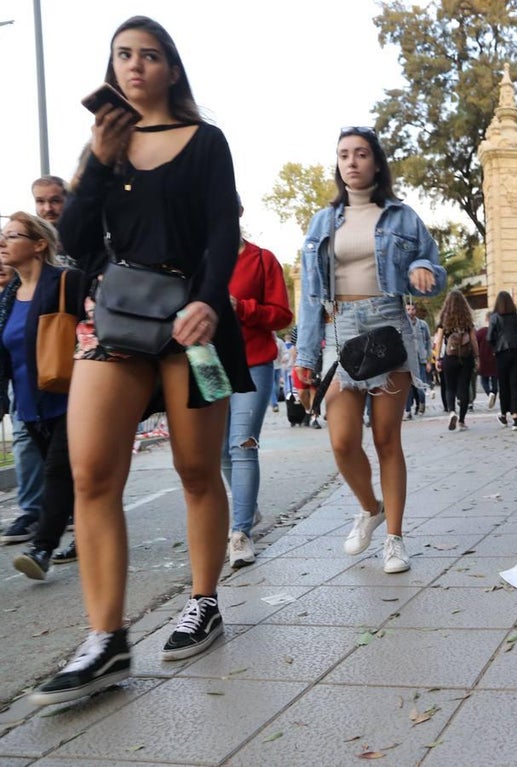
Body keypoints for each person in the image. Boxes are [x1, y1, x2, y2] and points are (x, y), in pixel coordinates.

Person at [33, 16, 254, 706]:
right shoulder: (107, 147)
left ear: (172, 68)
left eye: (149, 55)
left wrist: (212, 302)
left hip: (194, 323)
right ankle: (105, 638)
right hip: (120, 319)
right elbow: (67, 243)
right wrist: (97, 163)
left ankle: (203, 599)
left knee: (196, 469)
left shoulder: (206, 142)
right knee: (92, 470)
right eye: (123, 55)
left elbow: (224, 231)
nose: (135, 66)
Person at [294, 126, 445, 574]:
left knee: (385, 438)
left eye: (361, 154)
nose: (352, 162)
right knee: (341, 441)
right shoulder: (322, 222)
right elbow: (308, 297)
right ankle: (370, 507)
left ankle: (395, 539)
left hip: (388, 327)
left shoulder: (401, 216)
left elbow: (434, 265)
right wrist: (305, 359)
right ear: (337, 164)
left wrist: (421, 270)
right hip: (340, 330)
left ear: (376, 162)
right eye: (344, 154)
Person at [1, 213, 85, 581]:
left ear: (39, 244)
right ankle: (89, 532)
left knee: (57, 472)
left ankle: (42, 549)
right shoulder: (8, 295)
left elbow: (95, 331)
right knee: (72, 478)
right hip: (30, 406)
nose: (2, 242)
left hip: (73, 398)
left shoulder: (67, 281)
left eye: (11, 236)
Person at [224, 202, 293, 568]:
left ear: (237, 212)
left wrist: (243, 308)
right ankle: (246, 509)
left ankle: (240, 533)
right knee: (220, 451)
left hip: (253, 364)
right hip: (208, 367)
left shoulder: (262, 259)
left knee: (242, 445)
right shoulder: (198, 261)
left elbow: (283, 315)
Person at [488, 290, 517, 431]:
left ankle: (503, 414)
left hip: (502, 354)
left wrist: (495, 348)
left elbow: (490, 337)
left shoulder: (495, 317)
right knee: (516, 385)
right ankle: (515, 419)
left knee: (504, 385)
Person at [432, 289, 478, 431]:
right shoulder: (467, 321)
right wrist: (477, 357)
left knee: (450, 387)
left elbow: (438, 342)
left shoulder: (444, 321)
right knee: (463, 387)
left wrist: (437, 359)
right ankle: (462, 421)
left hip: (449, 357)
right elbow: (474, 340)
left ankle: (452, 411)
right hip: (466, 358)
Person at [404, 302, 432, 420]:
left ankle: (421, 403)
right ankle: (408, 410)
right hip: (407, 361)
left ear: (415, 311)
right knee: (407, 387)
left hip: (420, 359)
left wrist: (429, 360)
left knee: (420, 385)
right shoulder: (403, 324)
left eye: (412, 309)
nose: (410, 312)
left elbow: (428, 342)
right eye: (408, 309)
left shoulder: (422, 325)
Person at [475, 311, 498, 409]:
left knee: (483, 381)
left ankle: (489, 394)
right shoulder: (497, 332)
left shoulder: (480, 332)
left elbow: (475, 344)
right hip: (494, 359)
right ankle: (493, 393)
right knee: (495, 381)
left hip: (483, 359)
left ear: (486, 319)